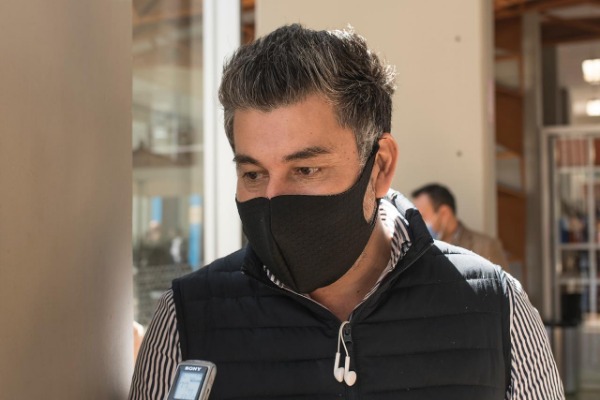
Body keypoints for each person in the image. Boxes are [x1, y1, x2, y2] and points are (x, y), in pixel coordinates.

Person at [129, 24, 564, 399]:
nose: (274, 199)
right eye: (254, 174)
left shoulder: (498, 310)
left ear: (380, 167)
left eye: (306, 169)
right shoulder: (185, 321)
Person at [412, 183, 511, 270]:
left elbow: (503, 285)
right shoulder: (417, 250)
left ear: (444, 213)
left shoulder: (485, 247)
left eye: (422, 216)